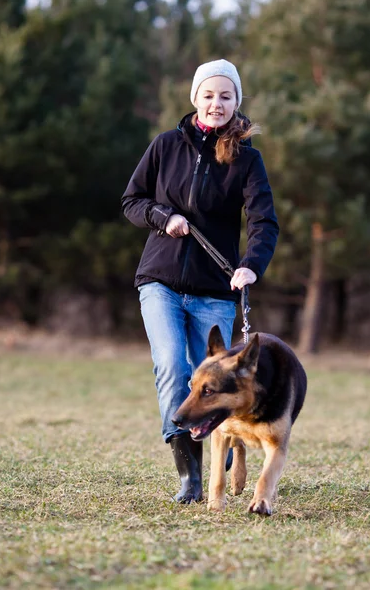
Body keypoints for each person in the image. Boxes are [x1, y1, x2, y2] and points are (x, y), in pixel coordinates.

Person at [121, 59, 279, 503]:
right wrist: (162, 215)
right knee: (172, 365)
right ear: (194, 99)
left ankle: (216, 448)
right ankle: (189, 475)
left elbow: (264, 222)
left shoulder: (247, 159)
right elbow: (132, 200)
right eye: (208, 95)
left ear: (236, 103)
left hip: (215, 288)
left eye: (226, 96)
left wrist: (250, 265)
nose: (216, 103)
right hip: (161, 280)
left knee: (208, 379)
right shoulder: (166, 145)